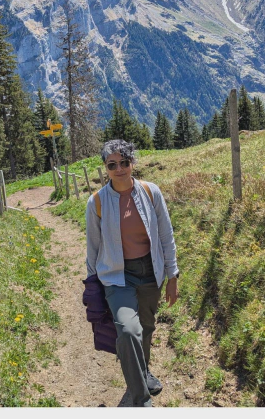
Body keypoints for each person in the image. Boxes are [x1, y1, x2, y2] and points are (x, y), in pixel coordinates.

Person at [85, 139, 180, 407]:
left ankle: (143, 371)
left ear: (132, 163)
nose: (119, 169)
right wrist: (94, 290)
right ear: (105, 168)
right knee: (128, 331)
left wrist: (172, 276)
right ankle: (141, 398)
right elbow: (92, 250)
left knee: (146, 329)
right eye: (112, 164)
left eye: (124, 162)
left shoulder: (151, 193)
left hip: (151, 272)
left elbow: (166, 236)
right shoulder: (97, 203)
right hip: (117, 276)